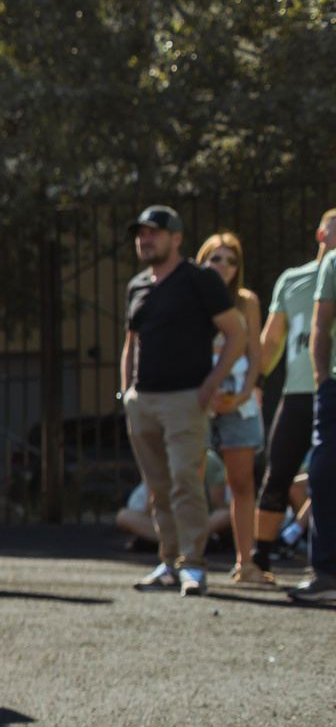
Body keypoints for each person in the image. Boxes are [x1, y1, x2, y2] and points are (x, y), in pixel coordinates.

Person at [118, 206, 246, 597]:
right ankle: (168, 561)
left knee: (185, 482)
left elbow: (236, 334)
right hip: (144, 401)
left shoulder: (200, 280)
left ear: (176, 238)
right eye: (141, 233)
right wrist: (127, 393)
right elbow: (131, 343)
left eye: (154, 233)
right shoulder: (138, 285)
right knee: (157, 487)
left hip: (185, 400)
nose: (146, 239)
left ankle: (193, 565)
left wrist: (209, 386)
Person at [191, 233, 270, 586]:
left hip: (237, 399)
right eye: (216, 258)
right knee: (189, 479)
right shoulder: (190, 297)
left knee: (242, 481)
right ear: (202, 260)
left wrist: (243, 394)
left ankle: (245, 563)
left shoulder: (246, 301)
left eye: (230, 260)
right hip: (198, 397)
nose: (223, 266)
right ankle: (187, 558)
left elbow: (255, 353)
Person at [258, 210, 334, 570]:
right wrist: (256, 382)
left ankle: (317, 558)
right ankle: (259, 557)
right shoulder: (293, 280)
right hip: (298, 393)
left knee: (325, 475)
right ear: (321, 234)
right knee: (278, 473)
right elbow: (272, 340)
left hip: (330, 390)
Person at [299, 213, 336, 601]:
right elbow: (321, 324)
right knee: (323, 472)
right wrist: (323, 378)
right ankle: (325, 570)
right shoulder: (333, 263)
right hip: (335, 386)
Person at [116, 450, 231, 553]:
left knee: (226, 515)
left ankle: (164, 542)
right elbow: (149, 509)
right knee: (124, 516)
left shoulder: (208, 459)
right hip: (166, 522)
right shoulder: (156, 460)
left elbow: (218, 506)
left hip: (199, 521)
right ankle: (186, 543)